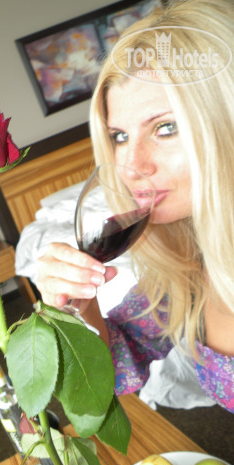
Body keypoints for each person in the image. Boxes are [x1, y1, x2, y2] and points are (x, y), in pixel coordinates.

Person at [36, 0, 234, 413]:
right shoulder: (188, 264)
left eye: (166, 127)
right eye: (120, 137)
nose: (130, 166)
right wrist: (79, 306)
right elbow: (113, 366)